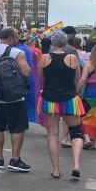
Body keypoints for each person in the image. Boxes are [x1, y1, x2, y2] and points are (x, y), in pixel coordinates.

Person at [0, 27, 32, 172]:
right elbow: (27, 72)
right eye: (16, 37)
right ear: (10, 38)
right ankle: (15, 159)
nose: (17, 39)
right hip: (14, 97)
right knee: (17, 128)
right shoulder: (17, 53)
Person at [39, 30, 85, 179]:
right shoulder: (72, 58)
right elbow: (77, 79)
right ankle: (76, 165)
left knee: (52, 134)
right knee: (76, 131)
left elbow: (42, 79)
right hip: (69, 99)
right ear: (65, 42)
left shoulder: (44, 58)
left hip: (50, 99)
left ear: (52, 42)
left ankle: (56, 169)